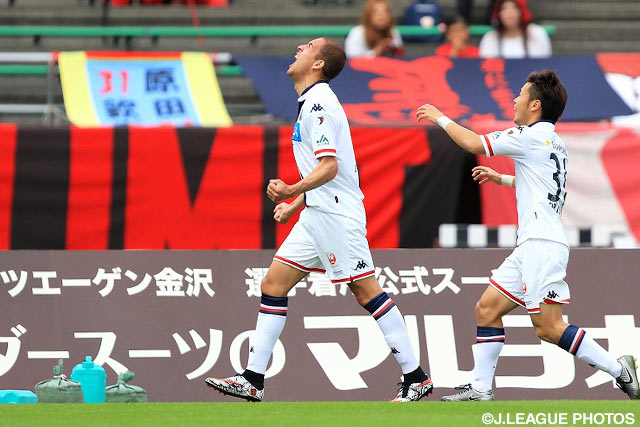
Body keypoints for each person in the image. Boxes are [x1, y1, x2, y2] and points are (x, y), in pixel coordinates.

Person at [205, 37, 433, 403]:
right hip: (317, 214)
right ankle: (252, 379)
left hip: (337, 216)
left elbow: (330, 166)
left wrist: (291, 190)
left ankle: (416, 378)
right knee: (273, 283)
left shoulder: (319, 105)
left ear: (318, 64)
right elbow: (325, 170)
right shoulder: (311, 102)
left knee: (366, 291)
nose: (299, 48)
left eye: (308, 47)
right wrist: (297, 204)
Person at [416, 69, 639, 401]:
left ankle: (619, 369)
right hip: (533, 244)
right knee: (487, 309)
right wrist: (503, 179)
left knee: (549, 327)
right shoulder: (554, 142)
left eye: (520, 94)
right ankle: (480, 389)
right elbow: (544, 186)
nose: (514, 99)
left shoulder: (527, 135)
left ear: (535, 105)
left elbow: (475, 143)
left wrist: (440, 117)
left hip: (541, 245)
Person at [479, 0, 551, 58]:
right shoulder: (490, 38)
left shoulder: (537, 33)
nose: (509, 12)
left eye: (515, 7)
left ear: (522, 10)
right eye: (504, 8)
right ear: (498, 13)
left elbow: (546, 63)